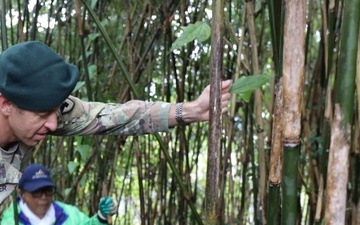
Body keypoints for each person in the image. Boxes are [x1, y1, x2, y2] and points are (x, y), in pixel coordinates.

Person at [0, 41, 232, 203]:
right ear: (6, 105)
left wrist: (190, 110)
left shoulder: (43, 111)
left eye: (55, 111)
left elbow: (116, 116)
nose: (53, 124)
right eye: (42, 115)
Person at [1, 164, 117, 225]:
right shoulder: (10, 221)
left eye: (48, 191)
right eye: (36, 192)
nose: (44, 197)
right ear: (22, 194)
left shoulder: (69, 213)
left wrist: (101, 217)